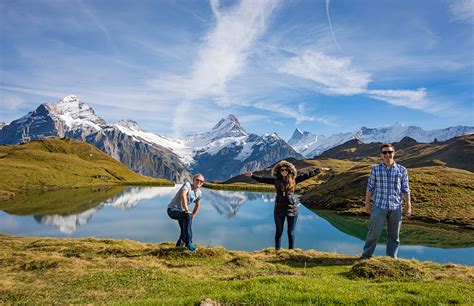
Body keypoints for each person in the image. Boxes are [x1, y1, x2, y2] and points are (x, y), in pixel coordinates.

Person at [244, 161, 320, 251]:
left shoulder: (294, 179)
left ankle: (291, 251)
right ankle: (277, 251)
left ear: (289, 170)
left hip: (292, 208)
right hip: (279, 209)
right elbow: (263, 179)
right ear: (279, 171)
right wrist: (252, 175)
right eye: (282, 170)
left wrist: (318, 170)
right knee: (279, 232)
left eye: (286, 170)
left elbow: (307, 175)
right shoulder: (276, 180)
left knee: (290, 232)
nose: (284, 171)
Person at [361, 143, 411, 259]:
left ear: (394, 153)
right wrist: (367, 203)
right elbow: (370, 187)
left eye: (390, 152)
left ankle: (391, 258)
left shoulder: (402, 170)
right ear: (381, 155)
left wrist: (408, 206)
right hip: (379, 205)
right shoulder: (375, 169)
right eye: (385, 152)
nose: (387, 154)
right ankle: (366, 255)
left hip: (396, 206)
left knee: (394, 235)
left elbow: (405, 189)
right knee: (373, 233)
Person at [167, 174, 205, 251]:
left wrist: (193, 215)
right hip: (172, 209)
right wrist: (187, 210)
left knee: (184, 230)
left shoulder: (199, 193)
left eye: (201, 181)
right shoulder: (187, 185)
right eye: (197, 180)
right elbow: (183, 195)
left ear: (202, 183)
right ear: (193, 180)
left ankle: (177, 248)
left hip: (182, 212)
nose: (199, 182)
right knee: (188, 216)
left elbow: (197, 205)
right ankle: (188, 243)